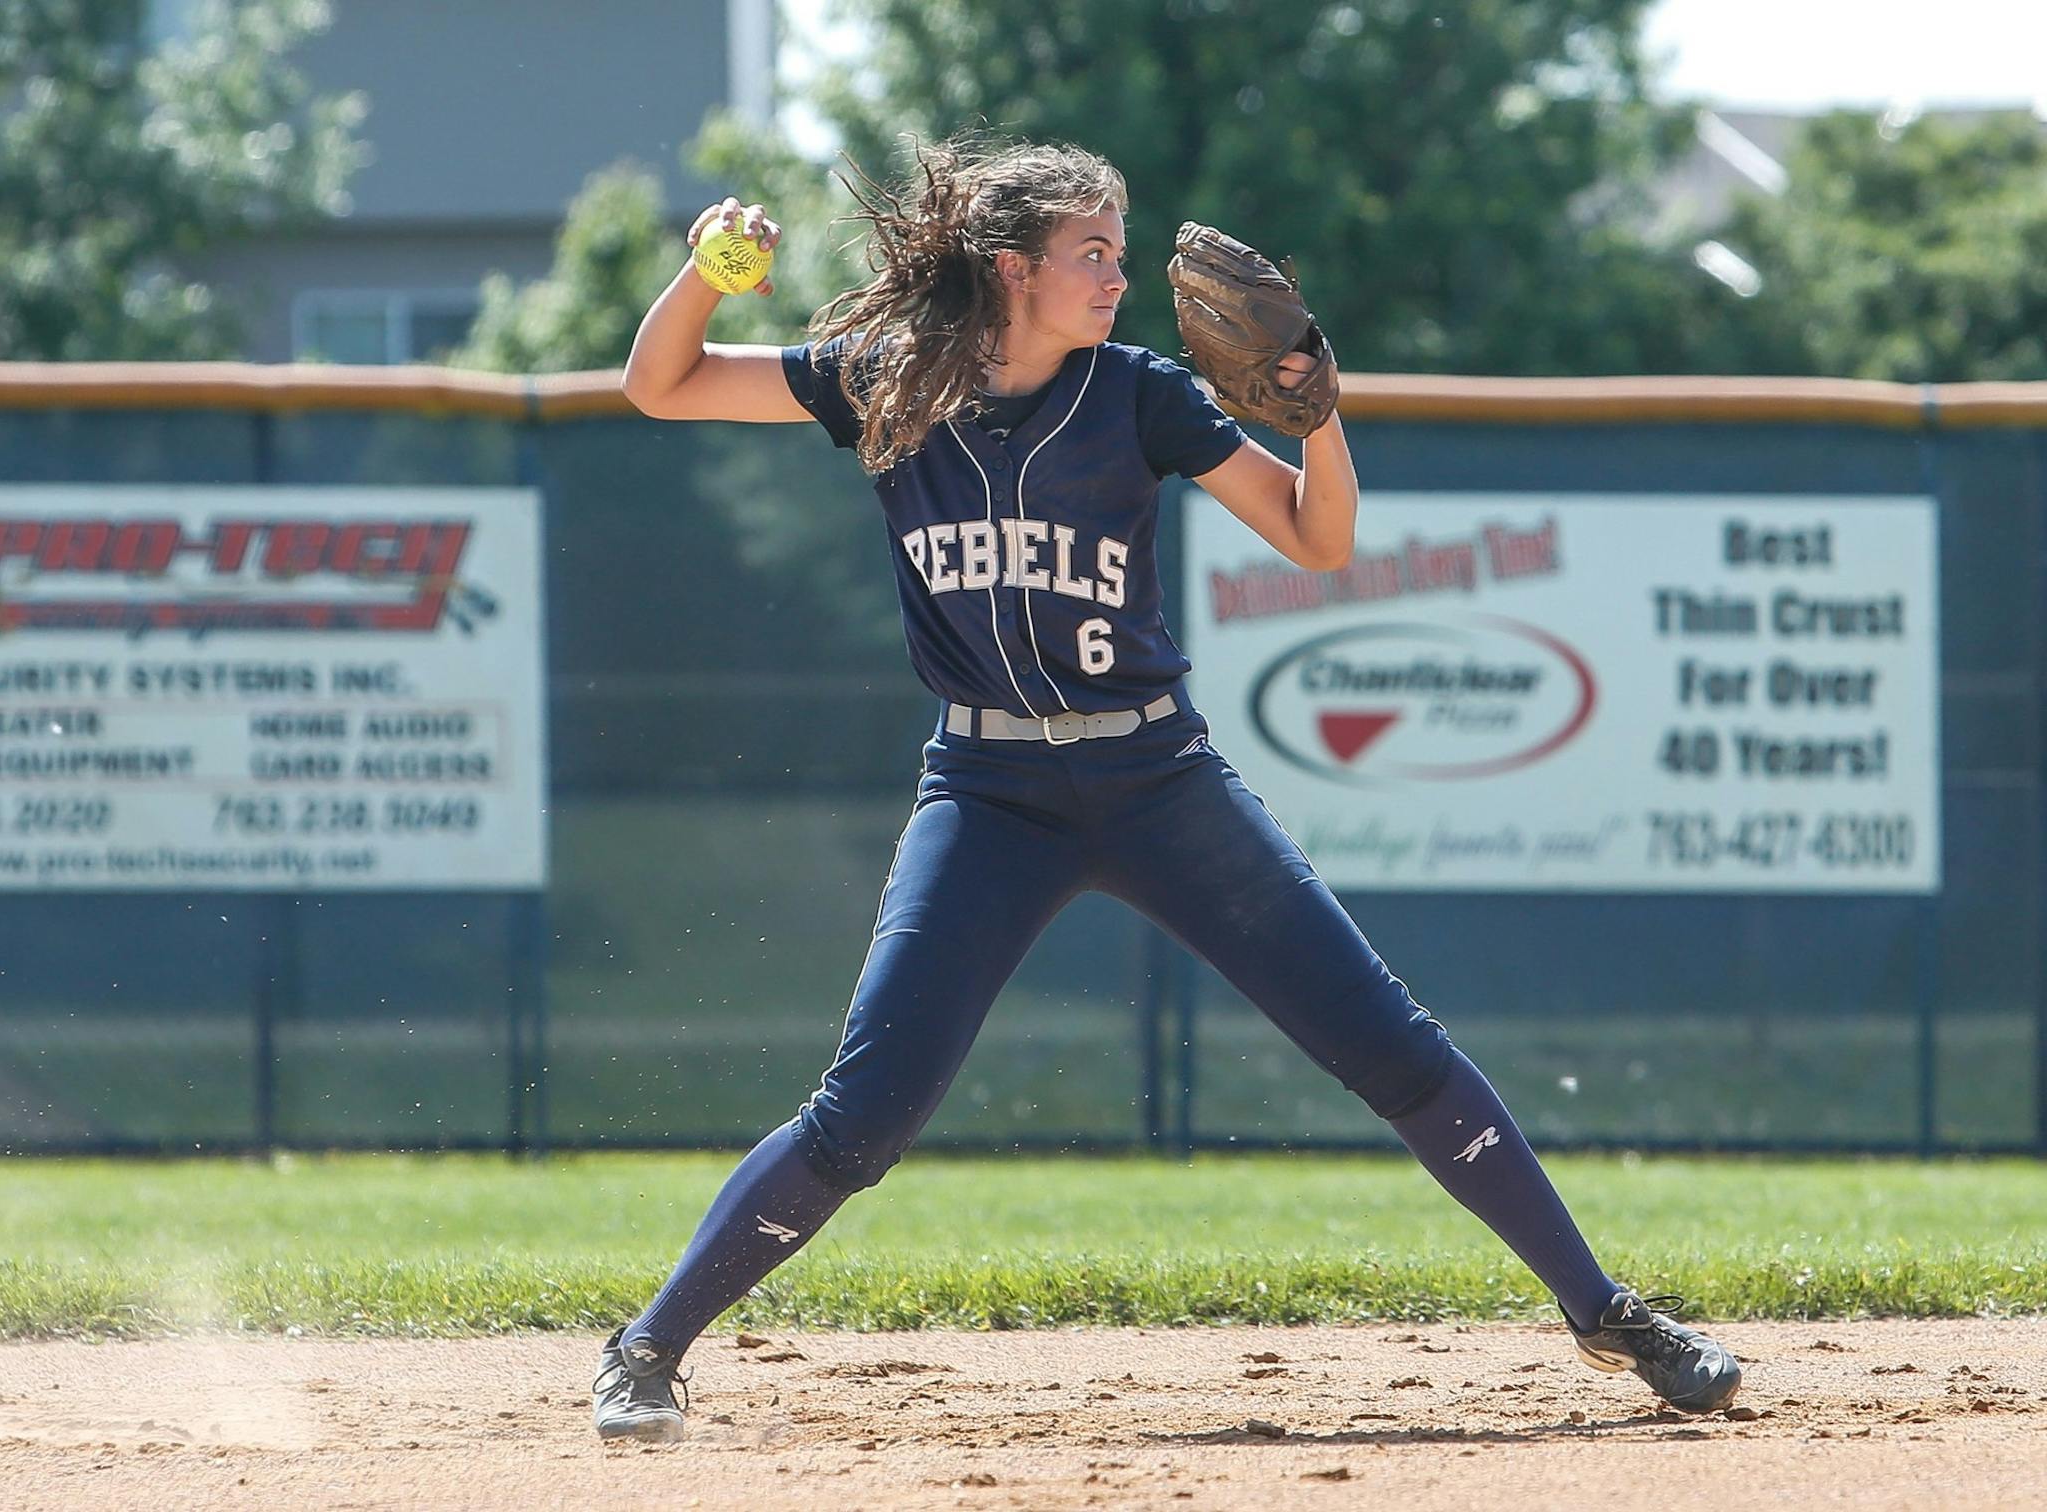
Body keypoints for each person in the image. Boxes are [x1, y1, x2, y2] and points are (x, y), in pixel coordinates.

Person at [594, 135, 1740, 1444]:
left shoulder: (1136, 395)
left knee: (1396, 1053)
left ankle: (1604, 1311)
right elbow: (662, 383)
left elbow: (1318, 536)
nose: (1117, 280)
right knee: (864, 1116)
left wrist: (1323, 417)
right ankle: (647, 1348)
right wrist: (704, 275)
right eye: (1092, 253)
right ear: (1011, 266)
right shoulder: (886, 382)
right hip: (989, 792)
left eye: (1119, 255)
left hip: (1156, 778)